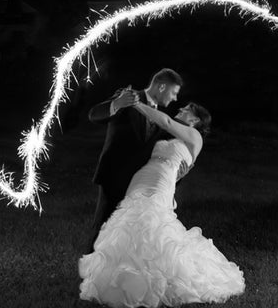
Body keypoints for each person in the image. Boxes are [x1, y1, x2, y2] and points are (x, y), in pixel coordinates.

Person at [79, 101, 245, 307]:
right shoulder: (172, 136)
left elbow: (165, 120)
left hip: (161, 181)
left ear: (195, 119)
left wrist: (136, 103)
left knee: (152, 222)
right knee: (130, 223)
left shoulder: (195, 137)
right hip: (140, 179)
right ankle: (129, 276)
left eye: (185, 110)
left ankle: (156, 277)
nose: (180, 110)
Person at [87, 68, 183, 253]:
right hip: (115, 176)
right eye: (174, 93)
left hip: (139, 183)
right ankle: (88, 274)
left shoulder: (160, 116)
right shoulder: (128, 96)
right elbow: (94, 114)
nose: (175, 99)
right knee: (103, 226)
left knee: (127, 232)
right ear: (162, 86)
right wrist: (117, 103)